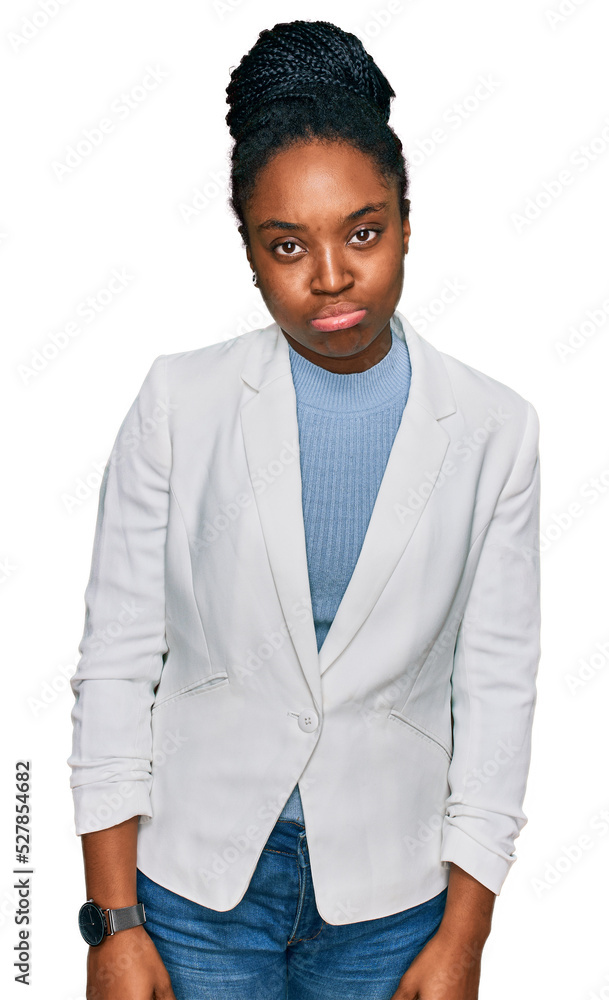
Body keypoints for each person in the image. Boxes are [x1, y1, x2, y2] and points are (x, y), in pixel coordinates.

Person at [68, 19, 541, 1000]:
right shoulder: (177, 403)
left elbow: (496, 697)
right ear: (248, 253)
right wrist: (111, 923)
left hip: (394, 905)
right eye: (288, 245)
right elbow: (115, 667)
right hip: (192, 894)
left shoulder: (497, 430)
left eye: (362, 231)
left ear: (408, 220)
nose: (330, 277)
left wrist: (466, 937)